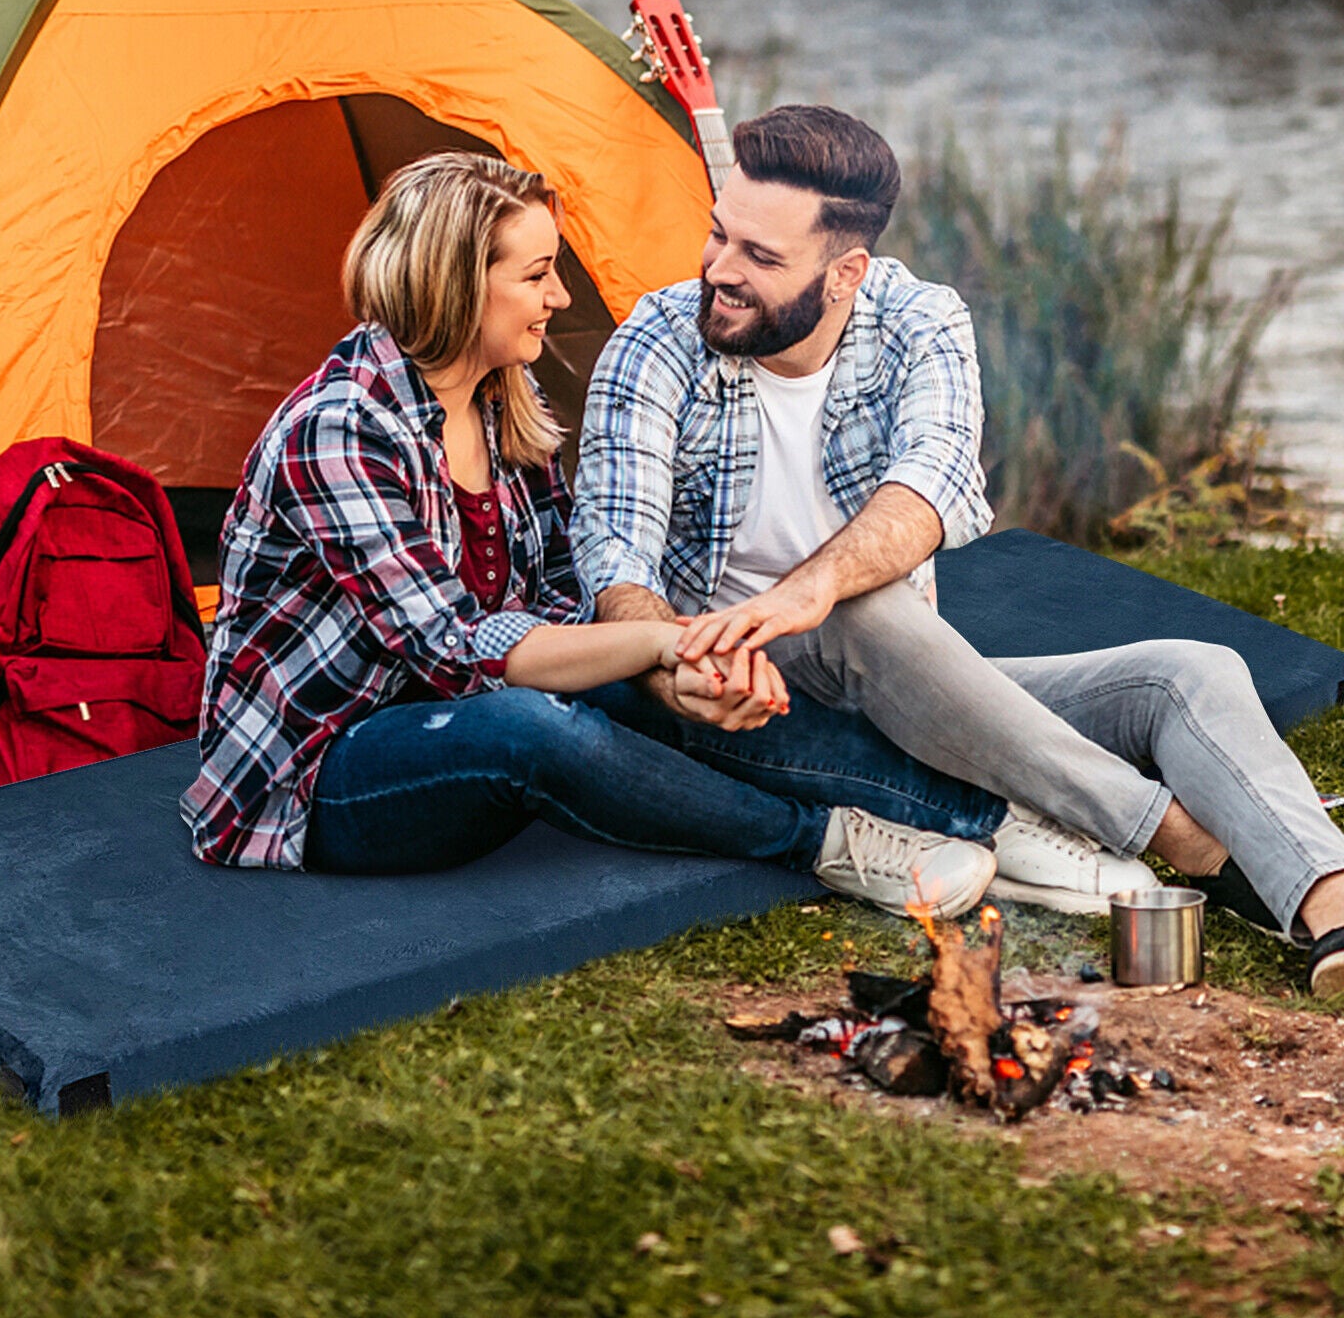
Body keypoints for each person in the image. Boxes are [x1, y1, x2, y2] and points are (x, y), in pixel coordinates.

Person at [571, 102, 1344, 993]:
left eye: (761, 257)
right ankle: (1183, 838)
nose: (720, 271)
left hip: (910, 676)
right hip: (749, 696)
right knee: (868, 609)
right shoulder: (658, 340)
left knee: (1191, 672)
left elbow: (935, 488)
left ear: (845, 272)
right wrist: (669, 660)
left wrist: (804, 592)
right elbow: (614, 553)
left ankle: (1329, 903)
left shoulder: (921, 322)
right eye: (720, 238)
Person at [181, 150, 1002, 916]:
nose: (561, 297)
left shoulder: (503, 398)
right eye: (538, 274)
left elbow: (557, 601)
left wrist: (680, 665)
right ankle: (827, 845)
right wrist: (660, 648)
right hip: (316, 778)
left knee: (654, 677)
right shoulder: (340, 430)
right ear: (458, 285)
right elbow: (451, 649)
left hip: (462, 707)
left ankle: (977, 815)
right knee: (536, 723)